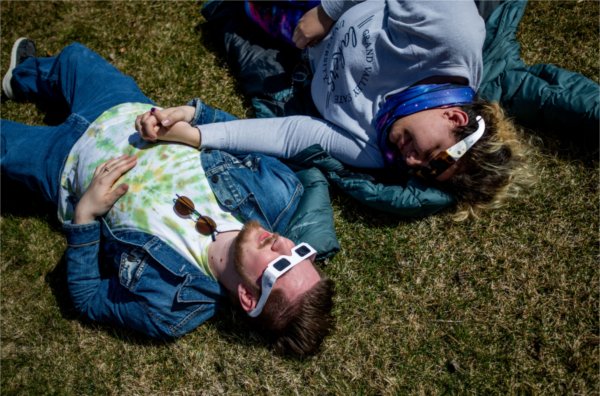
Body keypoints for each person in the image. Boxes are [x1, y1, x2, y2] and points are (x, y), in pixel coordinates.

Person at [0, 38, 335, 357]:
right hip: (121, 109)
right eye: (300, 252)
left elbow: (88, 299)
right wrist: (192, 120)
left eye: (280, 265)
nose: (283, 244)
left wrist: (85, 215)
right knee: (73, 58)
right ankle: (21, 78)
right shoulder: (277, 191)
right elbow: (244, 136)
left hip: (63, 164)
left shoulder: (170, 307)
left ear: (248, 297)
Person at [156, 0, 532, 220]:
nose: (415, 164)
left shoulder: (379, 151)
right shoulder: (452, 34)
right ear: (455, 118)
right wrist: (329, 10)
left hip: (290, 34)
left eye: (427, 174)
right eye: (433, 158)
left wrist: (198, 134)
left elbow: (294, 134)